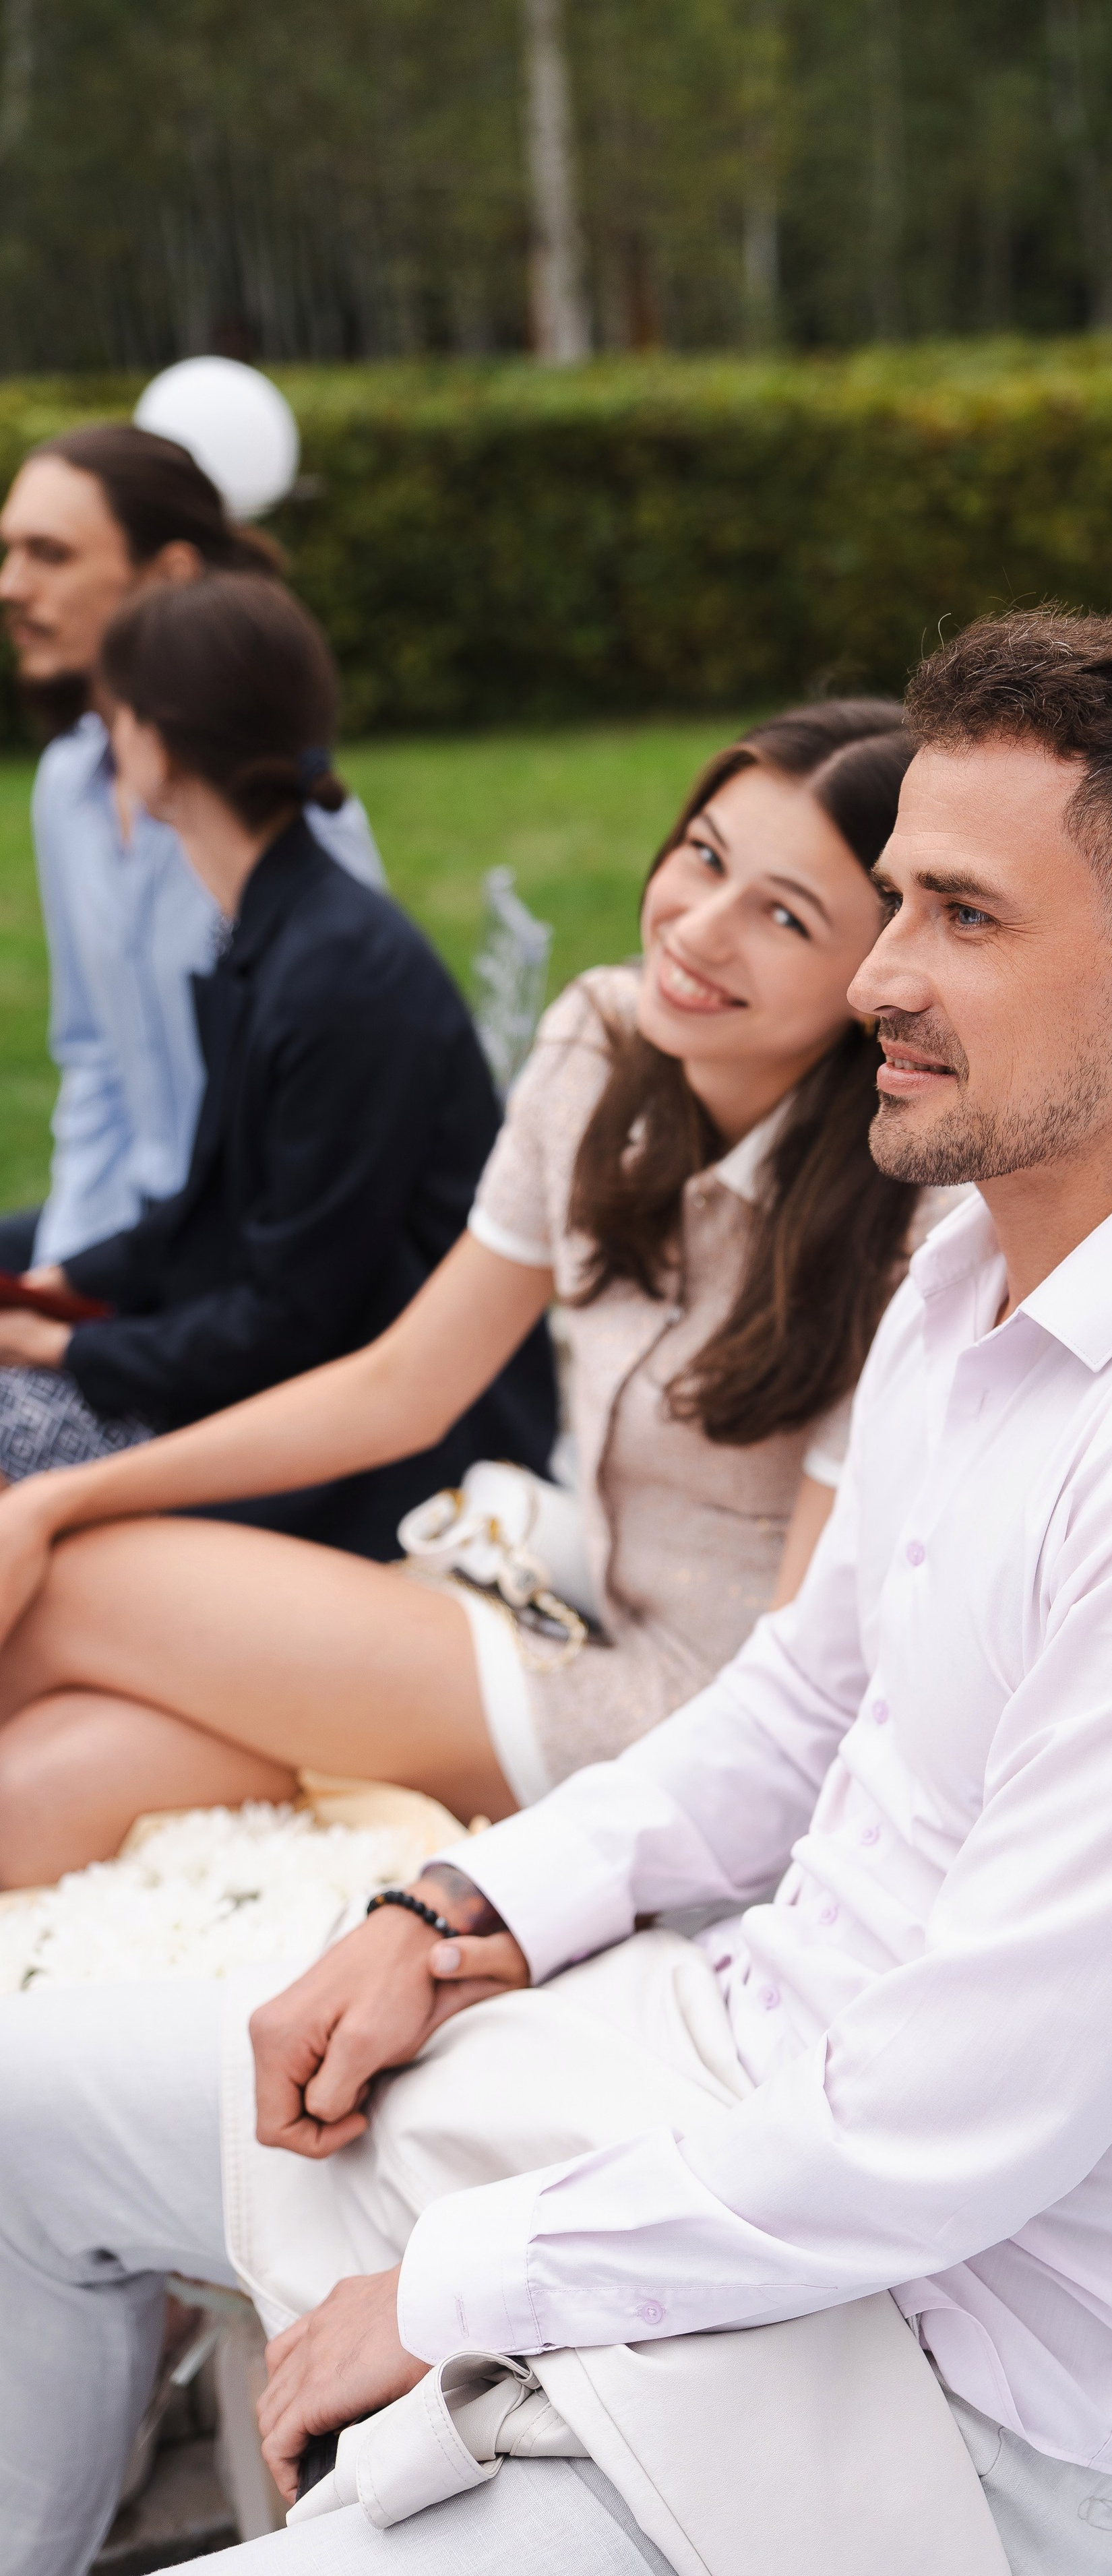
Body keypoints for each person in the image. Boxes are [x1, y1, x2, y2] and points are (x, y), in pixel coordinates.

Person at [0, 607, 1112, 2576]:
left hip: (927, 2388)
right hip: (705, 2083)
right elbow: (792, 1709)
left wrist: (460, 2274)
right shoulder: (966, 1271)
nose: (875, 976)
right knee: (20, 2108)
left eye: (958, 914)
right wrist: (460, 1904)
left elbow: (960, 2120)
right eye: (889, 907)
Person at [0, 697, 957, 1877]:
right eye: (705, 855)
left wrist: (64, 1520)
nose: (699, 930)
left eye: (783, 915)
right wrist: (59, 1496)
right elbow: (404, 1385)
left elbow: (800, 1664)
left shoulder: (914, 1205)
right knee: (55, 1766)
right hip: (565, 1602)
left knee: (75, 1593)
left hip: (695, 1726)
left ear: (878, 978)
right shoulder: (605, 1041)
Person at [0, 572, 553, 1572]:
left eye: (112, 716)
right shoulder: (275, 931)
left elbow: (294, 1319)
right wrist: (60, 1286)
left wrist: (65, 1348)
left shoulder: (336, 975)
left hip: (389, 1464)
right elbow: (209, 1209)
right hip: (290, 1388)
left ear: (156, 748)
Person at [0, 422, 385, 1272]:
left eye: (50, 554)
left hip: (251, 1259)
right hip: (128, 1228)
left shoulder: (299, 830)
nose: (11, 586)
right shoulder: (67, 787)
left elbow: (335, 1136)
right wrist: (66, 1276)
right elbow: (92, 1055)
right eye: (8, 551)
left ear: (169, 574)